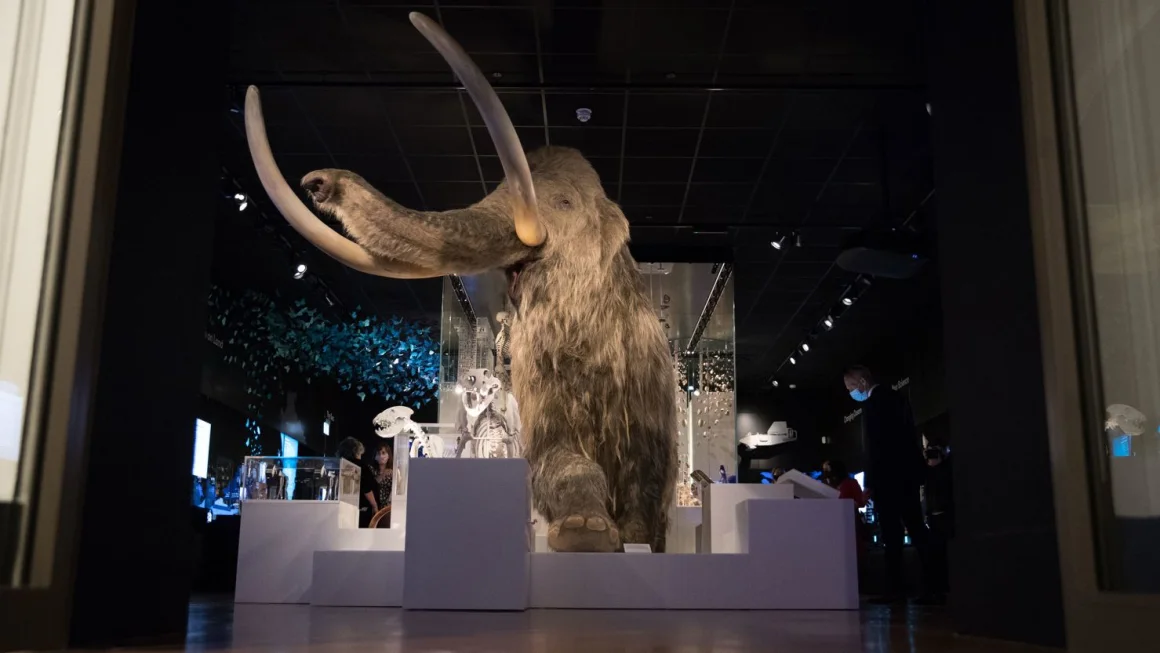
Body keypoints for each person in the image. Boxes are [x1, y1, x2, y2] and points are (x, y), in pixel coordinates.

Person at [843, 364, 935, 604]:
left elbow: (877, 448)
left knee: (892, 535)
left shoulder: (874, 405)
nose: (851, 392)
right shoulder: (897, 398)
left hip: (888, 479)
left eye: (851, 387)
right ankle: (933, 587)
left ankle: (896, 590)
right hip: (906, 476)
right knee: (916, 527)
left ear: (862, 381)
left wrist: (870, 484)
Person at [924, 444, 954, 598]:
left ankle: (944, 587)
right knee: (936, 554)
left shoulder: (946, 471)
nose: (930, 457)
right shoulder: (930, 474)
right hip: (934, 517)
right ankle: (939, 587)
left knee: (943, 553)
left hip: (944, 516)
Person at [337, 437, 377, 528]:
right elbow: (366, 488)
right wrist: (374, 505)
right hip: (361, 508)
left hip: (342, 507)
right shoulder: (361, 466)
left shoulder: (340, 464)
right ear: (356, 451)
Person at [371, 442, 394, 527]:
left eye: (383, 453)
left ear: (388, 455)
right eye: (378, 453)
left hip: (387, 509)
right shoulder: (371, 471)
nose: (381, 456)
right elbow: (370, 487)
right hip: (372, 507)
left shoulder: (393, 472)